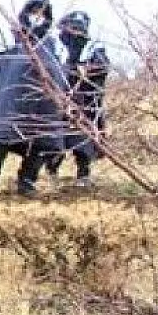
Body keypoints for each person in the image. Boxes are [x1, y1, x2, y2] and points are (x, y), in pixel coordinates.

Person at [0, 0, 72, 195]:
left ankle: (27, 181)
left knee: (43, 141)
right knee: (0, 138)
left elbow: (64, 80)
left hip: (44, 107)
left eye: (43, 13)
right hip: (7, 103)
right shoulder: (4, 39)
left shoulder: (56, 47)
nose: (38, 17)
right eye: (34, 12)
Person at [48, 10, 109, 188]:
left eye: (79, 27)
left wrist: (87, 70)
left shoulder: (93, 46)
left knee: (83, 138)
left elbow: (102, 66)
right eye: (72, 27)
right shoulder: (55, 44)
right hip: (59, 99)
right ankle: (51, 172)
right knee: (56, 138)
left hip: (85, 101)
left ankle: (83, 174)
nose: (75, 31)